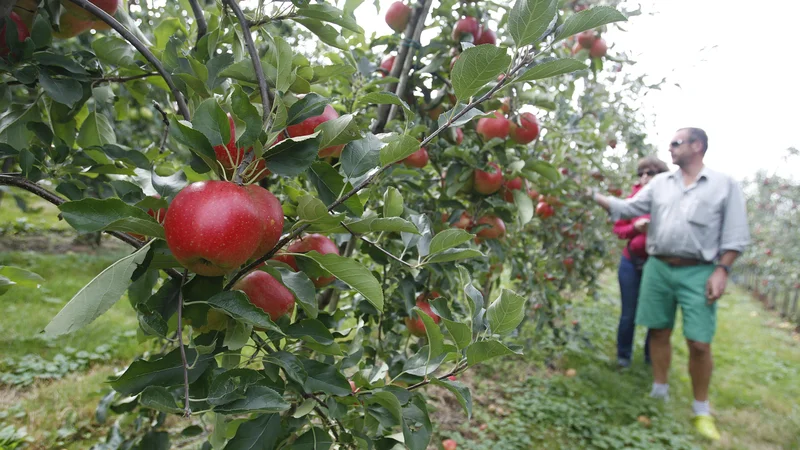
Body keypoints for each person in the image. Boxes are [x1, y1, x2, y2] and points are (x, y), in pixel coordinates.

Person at [591, 127, 750, 441]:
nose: (671, 148)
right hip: (658, 266)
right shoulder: (661, 184)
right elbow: (626, 208)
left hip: (699, 270)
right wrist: (589, 194)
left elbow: (735, 234)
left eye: (677, 143)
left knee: (699, 342)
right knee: (659, 330)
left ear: (697, 145)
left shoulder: (723, 185)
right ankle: (659, 388)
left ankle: (701, 408)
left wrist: (722, 270)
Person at [613, 156, 669, 368]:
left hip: (659, 265)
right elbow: (619, 230)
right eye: (642, 173)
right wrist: (635, 228)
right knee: (629, 312)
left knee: (655, 314)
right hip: (631, 262)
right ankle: (623, 356)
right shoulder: (632, 200)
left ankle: (650, 356)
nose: (645, 177)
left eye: (650, 173)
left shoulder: (670, 201)